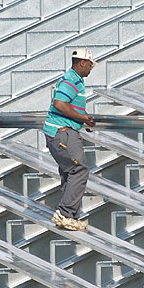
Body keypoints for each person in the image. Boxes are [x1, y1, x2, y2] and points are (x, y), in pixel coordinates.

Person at [43, 48, 96, 231]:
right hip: (63, 133)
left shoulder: (73, 79)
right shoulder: (71, 80)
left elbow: (68, 106)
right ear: (82, 62)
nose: (91, 68)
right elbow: (59, 104)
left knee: (69, 172)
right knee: (79, 169)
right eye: (90, 65)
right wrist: (82, 118)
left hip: (59, 132)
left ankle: (71, 216)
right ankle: (65, 213)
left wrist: (83, 117)